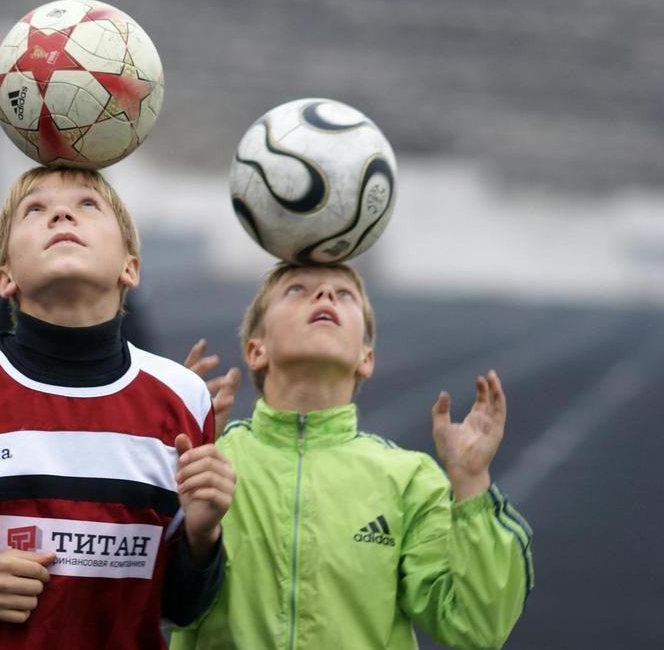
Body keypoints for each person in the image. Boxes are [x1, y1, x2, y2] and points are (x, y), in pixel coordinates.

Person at [0, 166, 239, 648]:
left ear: (130, 268)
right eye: (34, 209)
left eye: (88, 206)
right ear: (5, 276)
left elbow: (177, 607)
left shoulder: (182, 399)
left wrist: (203, 538)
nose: (60, 213)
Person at [171, 262, 533, 650]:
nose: (325, 295)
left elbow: (477, 627)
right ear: (256, 350)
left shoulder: (408, 480)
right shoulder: (206, 462)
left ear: (366, 358)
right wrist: (160, 441)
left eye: (344, 294)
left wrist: (472, 482)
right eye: (297, 289)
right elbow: (136, 590)